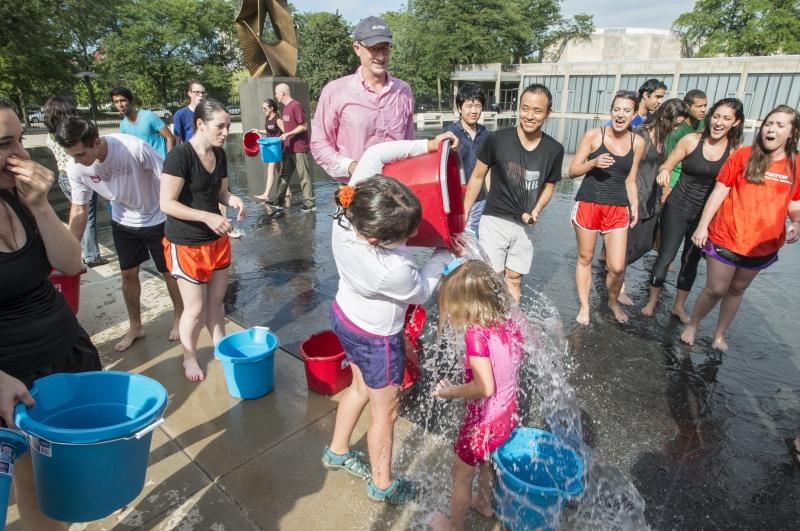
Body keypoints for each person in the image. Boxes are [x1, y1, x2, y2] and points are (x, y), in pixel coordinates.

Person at [321, 135, 455, 504]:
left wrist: (429, 144)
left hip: (344, 317)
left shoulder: (350, 207)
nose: (414, 234)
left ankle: (336, 451)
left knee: (359, 388)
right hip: (377, 338)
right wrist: (444, 251)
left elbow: (375, 152)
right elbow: (423, 290)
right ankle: (382, 484)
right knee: (387, 412)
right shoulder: (390, 270)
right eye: (408, 233)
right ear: (378, 239)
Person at [0, 99, 101, 531]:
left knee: (69, 468)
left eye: (20, 139)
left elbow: (71, 263)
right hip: (12, 378)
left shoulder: (19, 196)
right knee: (34, 481)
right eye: (5, 143)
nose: (21, 154)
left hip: (65, 351)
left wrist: (42, 206)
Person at [56, 116, 183, 351]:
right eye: (72, 155)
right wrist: (71, 248)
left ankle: (179, 317)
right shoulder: (76, 168)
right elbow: (79, 208)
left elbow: (167, 178)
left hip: (157, 217)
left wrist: (179, 215)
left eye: (80, 154)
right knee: (128, 274)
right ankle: (136, 326)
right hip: (123, 220)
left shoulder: (133, 148)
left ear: (96, 142)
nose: (76, 161)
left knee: (168, 272)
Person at [680, 105, 800, 350]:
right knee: (716, 288)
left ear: (792, 132)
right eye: (769, 123)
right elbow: (720, 190)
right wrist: (702, 226)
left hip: (763, 243)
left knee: (737, 289)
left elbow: (795, 200)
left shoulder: (796, 165)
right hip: (727, 235)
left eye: (779, 125)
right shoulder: (743, 155)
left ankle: (720, 335)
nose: (771, 129)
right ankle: (693, 324)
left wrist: (796, 221)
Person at [429, 260, 524, 531]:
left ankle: (454, 527)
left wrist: (450, 391)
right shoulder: (508, 323)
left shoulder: (476, 334)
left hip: (483, 421)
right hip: (506, 413)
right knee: (486, 461)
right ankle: (484, 502)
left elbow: (484, 387)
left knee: (460, 474)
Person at [160, 98, 246, 382]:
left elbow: (220, 193)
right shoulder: (180, 157)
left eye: (228, 126)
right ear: (200, 124)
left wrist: (232, 199)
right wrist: (208, 217)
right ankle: (189, 356)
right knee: (194, 309)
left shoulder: (219, 155)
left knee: (217, 301)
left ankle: (220, 346)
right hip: (186, 243)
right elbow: (167, 204)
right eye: (220, 126)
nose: (226, 132)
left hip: (217, 239)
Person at [642, 99, 743, 321]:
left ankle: (678, 306)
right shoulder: (691, 140)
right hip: (677, 206)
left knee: (691, 260)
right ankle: (652, 301)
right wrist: (664, 172)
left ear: (735, 123)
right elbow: (667, 164)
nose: (719, 122)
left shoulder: (735, 152)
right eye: (716, 116)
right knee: (666, 255)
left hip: (705, 214)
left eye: (726, 118)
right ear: (710, 117)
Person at [463, 84, 564, 304]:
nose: (529, 116)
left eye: (537, 111)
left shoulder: (554, 149)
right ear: (518, 108)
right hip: (494, 219)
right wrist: (464, 212)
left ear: (548, 113)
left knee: (515, 279)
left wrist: (536, 210)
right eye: (525, 108)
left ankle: (510, 324)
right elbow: (478, 176)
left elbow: (549, 185)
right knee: (491, 277)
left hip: (525, 225)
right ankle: (489, 325)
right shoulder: (497, 139)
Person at [568, 90, 645, 325]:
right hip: (589, 203)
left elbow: (631, 179)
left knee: (618, 266)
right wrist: (592, 163)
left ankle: (612, 301)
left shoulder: (638, 142)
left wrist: (635, 205)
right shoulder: (594, 135)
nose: (620, 115)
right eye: (616, 109)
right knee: (585, 257)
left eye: (626, 110)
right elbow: (572, 171)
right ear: (611, 111)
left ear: (634, 115)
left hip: (617, 207)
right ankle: (584, 306)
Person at [310, 15, 414, 183]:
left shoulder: (403, 91)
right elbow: (319, 144)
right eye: (374, 49)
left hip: (397, 188)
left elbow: (409, 143)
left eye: (385, 48)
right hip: (356, 189)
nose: (381, 56)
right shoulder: (335, 91)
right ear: (357, 48)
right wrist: (351, 166)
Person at [617, 99, 689, 306]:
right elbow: (626, 166)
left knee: (646, 244)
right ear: (664, 117)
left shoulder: (664, 139)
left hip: (651, 197)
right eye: (674, 123)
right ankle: (619, 285)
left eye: (678, 125)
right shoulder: (640, 134)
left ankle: (614, 268)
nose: (675, 128)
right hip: (634, 196)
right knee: (628, 243)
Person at [42, 95, 107, 267]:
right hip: (78, 177)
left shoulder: (52, 135)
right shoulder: (71, 136)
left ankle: (78, 252)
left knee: (78, 213)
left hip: (63, 176)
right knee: (86, 215)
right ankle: (91, 255)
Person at [445, 83, 490, 235]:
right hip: (457, 199)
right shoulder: (450, 133)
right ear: (459, 108)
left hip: (480, 199)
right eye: (469, 106)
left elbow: (490, 169)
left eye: (477, 106)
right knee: (459, 239)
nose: (473, 110)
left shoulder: (486, 134)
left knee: (475, 239)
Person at [265, 83, 315, 212]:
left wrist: (288, 134)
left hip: (299, 148)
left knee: (303, 176)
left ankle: (310, 203)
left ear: (283, 93)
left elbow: (304, 126)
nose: (275, 96)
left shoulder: (295, 106)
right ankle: (278, 201)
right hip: (288, 148)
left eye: (277, 93)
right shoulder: (286, 108)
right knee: (284, 175)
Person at [110, 86, 175, 159]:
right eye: (116, 102)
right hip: (142, 167)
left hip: (160, 164)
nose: (120, 105)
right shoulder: (123, 125)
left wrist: (169, 162)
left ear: (132, 102)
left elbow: (170, 138)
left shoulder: (149, 116)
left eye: (123, 100)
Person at [664, 90, 708, 194]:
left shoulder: (706, 123)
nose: (703, 110)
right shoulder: (676, 130)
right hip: (676, 179)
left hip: (697, 178)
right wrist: (666, 191)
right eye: (699, 106)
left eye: (705, 106)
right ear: (687, 106)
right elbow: (668, 163)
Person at [253, 98, 284, 201]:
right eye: (262, 108)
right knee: (279, 169)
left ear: (271, 108)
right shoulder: (267, 118)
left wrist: (278, 139)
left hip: (276, 147)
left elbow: (286, 132)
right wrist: (258, 131)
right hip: (270, 146)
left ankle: (266, 194)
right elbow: (268, 131)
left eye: (264, 108)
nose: (263, 110)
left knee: (270, 169)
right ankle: (287, 191)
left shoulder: (278, 119)